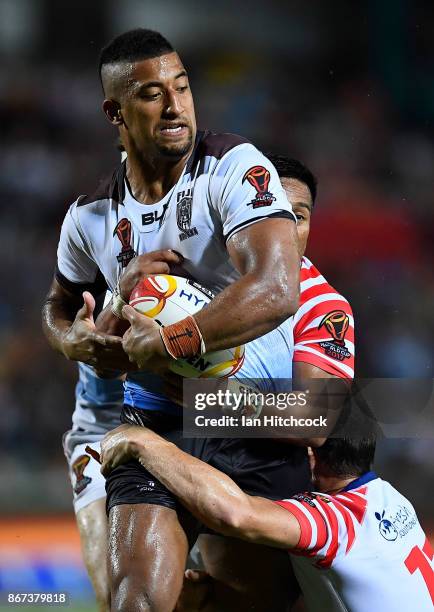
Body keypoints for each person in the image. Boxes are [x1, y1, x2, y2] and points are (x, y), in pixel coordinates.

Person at [42, 27, 305, 612]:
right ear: (115, 110)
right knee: (132, 600)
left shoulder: (232, 167)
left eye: (182, 88)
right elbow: (58, 307)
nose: (174, 105)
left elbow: (277, 289)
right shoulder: (88, 217)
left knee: (263, 602)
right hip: (154, 417)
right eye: (152, 93)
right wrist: (75, 343)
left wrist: (172, 343)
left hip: (248, 416)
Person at [61, 150, 353, 611]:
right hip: (136, 424)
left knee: (238, 601)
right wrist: (119, 295)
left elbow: (315, 419)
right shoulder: (181, 263)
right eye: (276, 213)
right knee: (128, 601)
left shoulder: (322, 304)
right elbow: (102, 364)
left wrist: (209, 401)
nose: (286, 230)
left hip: (251, 445)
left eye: (299, 217)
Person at [100, 426, 434, 612]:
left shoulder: (338, 520)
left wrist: (145, 443)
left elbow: (234, 514)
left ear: (309, 453)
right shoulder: (390, 498)